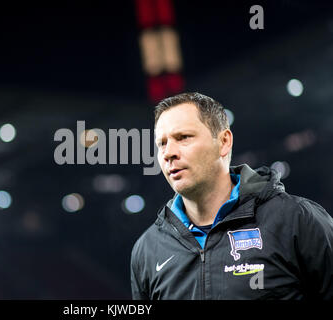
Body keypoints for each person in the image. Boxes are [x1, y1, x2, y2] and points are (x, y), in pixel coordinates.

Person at [130, 92, 333, 300]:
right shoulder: (147, 250)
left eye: (183, 138)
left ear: (224, 142)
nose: (168, 153)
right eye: (161, 143)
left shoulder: (297, 220)